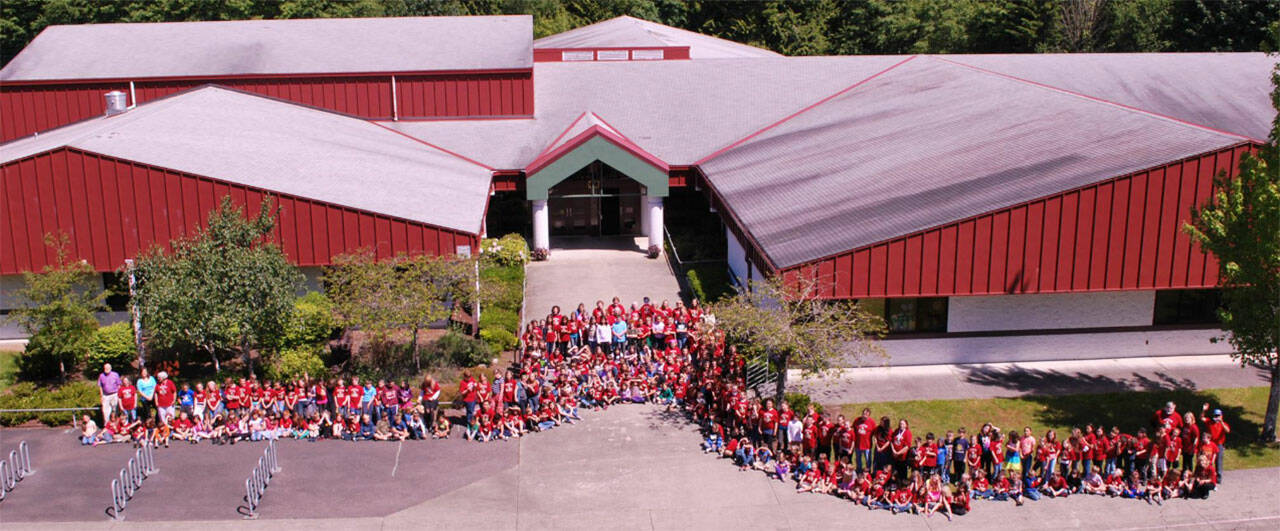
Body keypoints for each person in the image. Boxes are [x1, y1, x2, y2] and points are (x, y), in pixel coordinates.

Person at [1200, 403, 1230, 483]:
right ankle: (1207, 475)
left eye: (1218, 415)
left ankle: (1218, 477)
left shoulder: (1223, 423)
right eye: (1215, 415)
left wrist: (1221, 422)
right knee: (1208, 459)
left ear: (1221, 416)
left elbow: (1227, 430)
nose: (1216, 417)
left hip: (1219, 444)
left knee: (1218, 460)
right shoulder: (1209, 422)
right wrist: (1204, 410)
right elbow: (1202, 418)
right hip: (1211, 443)